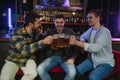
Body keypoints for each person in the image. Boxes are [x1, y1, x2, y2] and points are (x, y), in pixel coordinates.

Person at [0, 12, 53, 80]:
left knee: (32, 74)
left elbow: (42, 41)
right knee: (4, 78)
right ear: (30, 24)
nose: (40, 24)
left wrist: (49, 39)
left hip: (29, 58)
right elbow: (24, 51)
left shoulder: (36, 32)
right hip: (14, 59)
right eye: (38, 23)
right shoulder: (17, 32)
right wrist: (42, 42)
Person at [69, 9, 115, 80]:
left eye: (90, 17)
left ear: (98, 18)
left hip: (105, 63)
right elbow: (82, 36)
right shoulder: (91, 29)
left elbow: (96, 48)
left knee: (92, 77)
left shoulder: (105, 32)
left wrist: (77, 42)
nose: (88, 20)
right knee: (76, 71)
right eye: (87, 18)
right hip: (93, 60)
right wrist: (83, 40)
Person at [37, 14, 77, 80]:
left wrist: (73, 58)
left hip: (65, 57)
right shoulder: (49, 32)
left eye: (61, 22)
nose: (59, 24)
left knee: (72, 73)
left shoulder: (70, 31)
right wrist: (45, 39)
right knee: (40, 70)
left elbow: (76, 45)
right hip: (52, 57)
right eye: (57, 22)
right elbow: (42, 41)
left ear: (64, 22)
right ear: (54, 22)